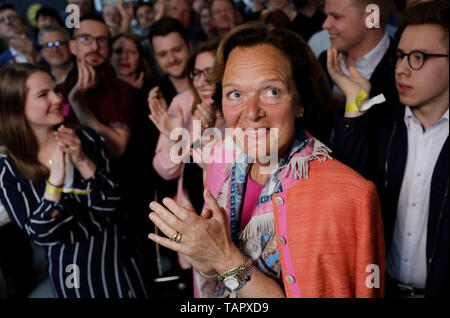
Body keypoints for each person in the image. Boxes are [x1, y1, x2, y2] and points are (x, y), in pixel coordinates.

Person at [147, 22, 385, 298]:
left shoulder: (346, 194)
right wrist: (201, 250)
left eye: (271, 91)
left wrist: (225, 257)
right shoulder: (222, 165)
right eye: (235, 94)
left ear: (300, 101)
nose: (251, 111)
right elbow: (212, 273)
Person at [329, 0, 448, 298]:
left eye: (418, 57)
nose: (402, 69)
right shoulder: (382, 119)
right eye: (400, 56)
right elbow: (342, 187)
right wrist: (355, 104)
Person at [0, 63, 148, 298]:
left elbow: (113, 203)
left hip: (117, 255)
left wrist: (82, 161)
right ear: (15, 107)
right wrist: (55, 183)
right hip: (71, 268)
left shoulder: (87, 139)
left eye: (55, 90)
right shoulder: (9, 169)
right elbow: (42, 235)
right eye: (43, 95)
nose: (58, 99)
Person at [57, 14, 137, 160]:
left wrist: (78, 103)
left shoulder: (124, 91)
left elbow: (118, 148)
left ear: (110, 49)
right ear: (73, 47)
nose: (95, 47)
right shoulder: (60, 90)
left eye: (102, 40)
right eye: (85, 39)